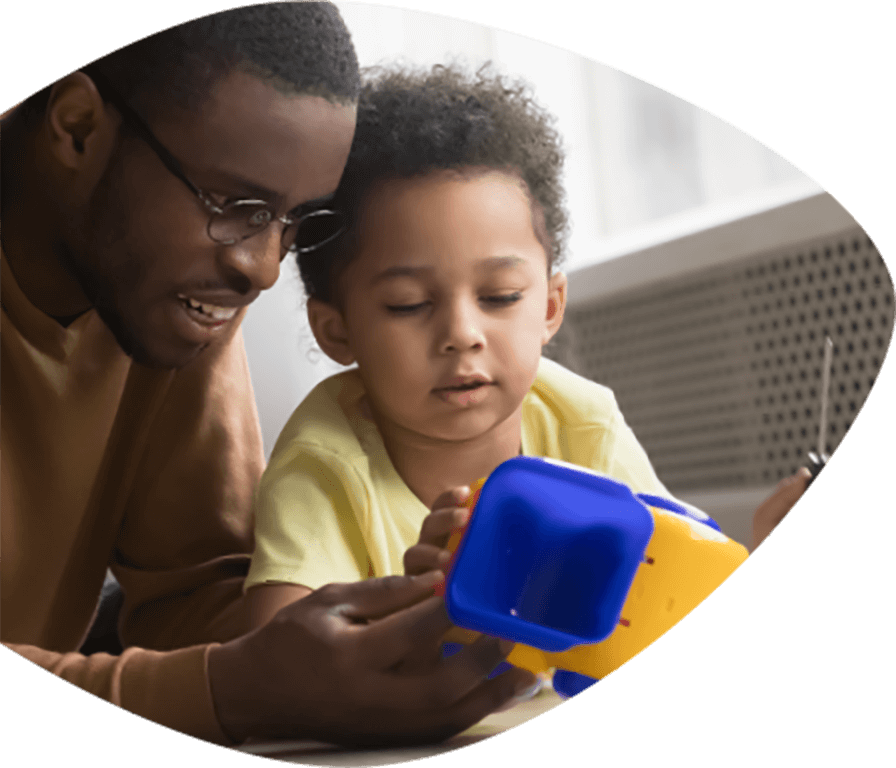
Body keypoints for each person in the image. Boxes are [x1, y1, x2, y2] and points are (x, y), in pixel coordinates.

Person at [1, 3, 537, 750]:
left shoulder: (168, 305)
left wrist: (386, 624)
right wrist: (235, 692)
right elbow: (229, 679)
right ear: (78, 130)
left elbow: (196, 595)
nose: (260, 268)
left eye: (295, 222)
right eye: (235, 205)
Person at [242, 62, 813, 637]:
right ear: (337, 330)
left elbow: (664, 591)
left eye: (500, 296)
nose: (462, 333)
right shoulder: (324, 465)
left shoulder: (581, 424)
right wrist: (421, 611)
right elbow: (277, 658)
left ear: (549, 307)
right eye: (408, 304)